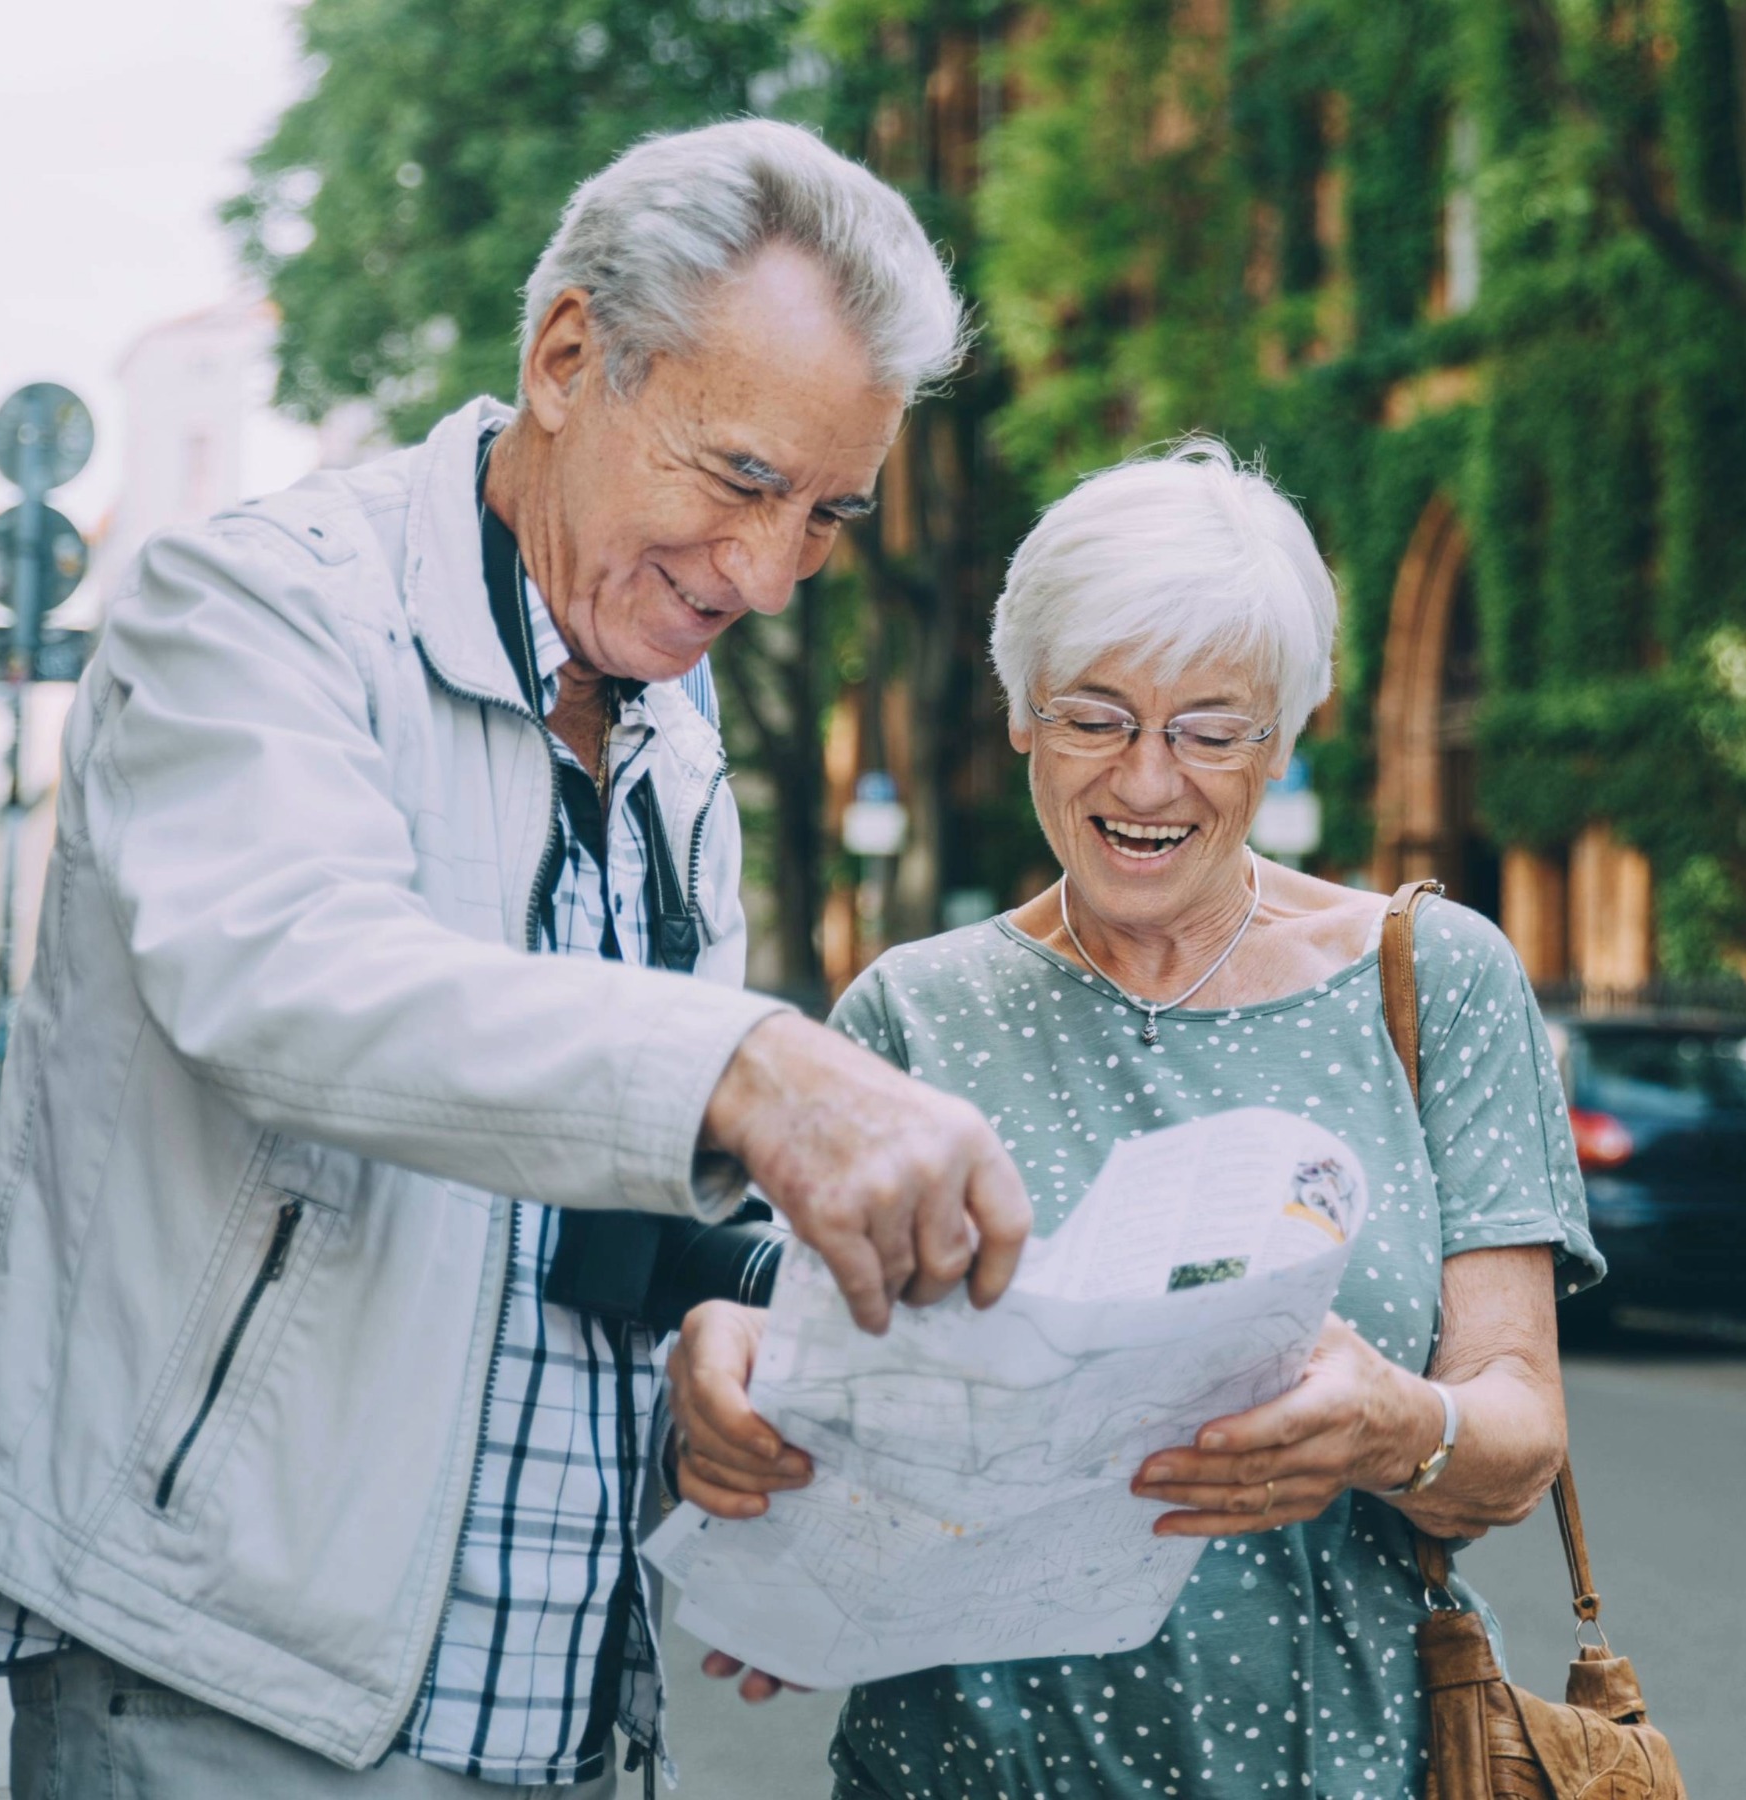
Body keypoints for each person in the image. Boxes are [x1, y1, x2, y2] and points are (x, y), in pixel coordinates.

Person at [0, 120, 1034, 1798]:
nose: (767, 574)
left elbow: (595, 1218)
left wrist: (739, 1338)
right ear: (569, 355)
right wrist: (753, 1066)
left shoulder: (676, 733)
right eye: (741, 478)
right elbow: (301, 983)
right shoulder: (255, 604)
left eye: (827, 514)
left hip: (562, 1698)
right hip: (230, 1686)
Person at [668, 441, 1604, 1799]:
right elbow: (838, 1421)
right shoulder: (907, 1021)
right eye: (1096, 717)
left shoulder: (1436, 981)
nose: (1149, 781)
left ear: (1282, 738)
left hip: (1347, 1763)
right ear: (1021, 713)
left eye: (1213, 730)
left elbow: (1517, 1428)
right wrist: (759, 1427)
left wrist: (1396, 1426)